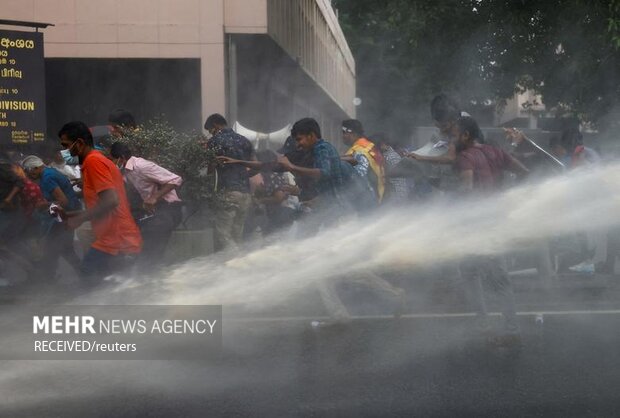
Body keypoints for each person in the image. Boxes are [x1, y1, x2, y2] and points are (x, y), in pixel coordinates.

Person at [278, 118, 405, 324]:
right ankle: (392, 295)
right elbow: (330, 193)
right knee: (347, 270)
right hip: (350, 218)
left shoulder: (332, 151)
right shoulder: (331, 155)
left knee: (321, 271)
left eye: (300, 141)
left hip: (347, 220)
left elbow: (330, 182)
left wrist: (291, 167)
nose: (299, 146)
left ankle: (340, 316)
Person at [453, 116, 528, 345]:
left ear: (466, 136)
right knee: (472, 272)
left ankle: (509, 329)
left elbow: (466, 191)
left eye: (456, 134)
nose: (452, 138)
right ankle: (485, 324)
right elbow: (524, 172)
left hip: (476, 225)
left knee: (486, 276)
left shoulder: (465, 157)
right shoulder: (496, 152)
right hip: (496, 220)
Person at [57, 121, 142, 285]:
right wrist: (70, 215)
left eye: (66, 145)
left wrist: (79, 219)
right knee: (110, 286)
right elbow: (101, 204)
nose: (64, 151)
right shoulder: (92, 162)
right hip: (114, 239)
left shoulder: (93, 162)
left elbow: (111, 201)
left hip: (117, 240)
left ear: (79, 143)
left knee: (89, 276)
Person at [110, 142, 183, 268]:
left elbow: (175, 179)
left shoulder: (142, 166)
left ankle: (149, 273)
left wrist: (154, 197)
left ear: (121, 157)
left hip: (169, 209)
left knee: (150, 250)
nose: (112, 163)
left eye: (112, 159)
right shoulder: (126, 172)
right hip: (154, 211)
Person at [22, 155, 82, 277]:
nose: (29, 175)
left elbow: (63, 201)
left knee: (52, 246)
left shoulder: (47, 178)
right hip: (68, 213)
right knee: (63, 247)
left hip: (66, 214)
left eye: (29, 171)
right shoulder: (51, 171)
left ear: (35, 168)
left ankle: (48, 277)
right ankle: (83, 273)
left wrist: (44, 204)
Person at [204, 113, 255, 251]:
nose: (210, 134)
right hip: (245, 194)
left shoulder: (215, 141)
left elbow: (211, 169)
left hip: (228, 193)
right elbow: (256, 165)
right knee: (237, 235)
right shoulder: (245, 140)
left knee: (223, 235)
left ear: (215, 125)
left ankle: (234, 260)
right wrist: (245, 175)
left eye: (210, 130)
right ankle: (237, 267)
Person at [341, 119, 385, 208]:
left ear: (353, 133)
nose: (343, 136)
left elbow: (356, 177)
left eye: (344, 132)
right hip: (378, 197)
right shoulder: (369, 146)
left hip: (367, 202)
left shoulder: (359, 150)